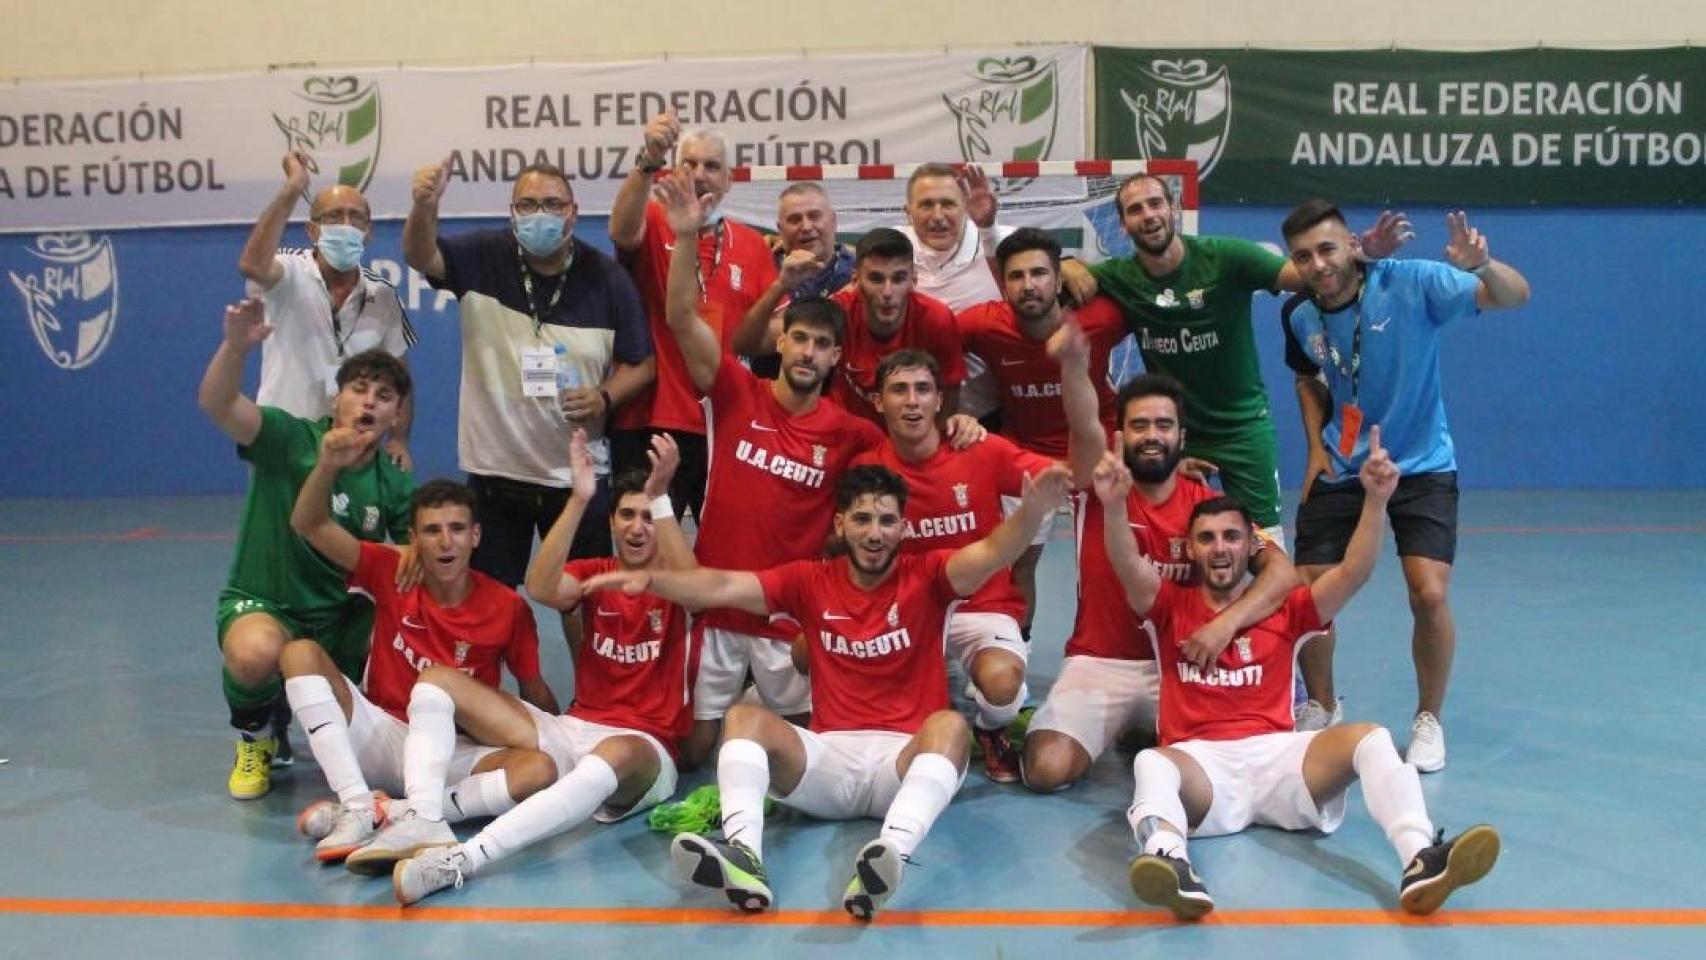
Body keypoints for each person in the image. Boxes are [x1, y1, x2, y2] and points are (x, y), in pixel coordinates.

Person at [581, 461, 1073, 919]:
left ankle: (890, 855)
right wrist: (652, 580)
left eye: (886, 521)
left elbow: (994, 551)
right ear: (841, 525)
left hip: (900, 765)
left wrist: (1032, 510)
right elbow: (720, 588)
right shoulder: (808, 580)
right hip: (828, 765)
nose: (874, 533)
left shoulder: (930, 576)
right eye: (862, 519)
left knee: (950, 724)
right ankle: (744, 855)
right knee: (742, 718)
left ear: (903, 527)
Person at [1094, 437, 1499, 921]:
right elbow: (1125, 562)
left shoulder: (1286, 610)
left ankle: (1419, 858)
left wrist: (1374, 501)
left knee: (1369, 738)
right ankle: (1171, 862)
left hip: (1278, 759)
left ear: (1251, 546)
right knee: (1151, 763)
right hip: (1202, 766)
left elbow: (1353, 573)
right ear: (1190, 549)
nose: (1219, 548)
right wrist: (1115, 507)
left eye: (1231, 537)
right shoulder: (1168, 606)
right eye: (1207, 539)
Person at [386, 432, 695, 904]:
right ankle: (418, 816)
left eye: (648, 516)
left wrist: (659, 497)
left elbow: (693, 588)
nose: (637, 527)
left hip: (644, 748)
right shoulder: (594, 572)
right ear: (612, 522)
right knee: (438, 681)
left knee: (613, 752)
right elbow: (541, 586)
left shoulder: (681, 580)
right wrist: (578, 500)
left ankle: (463, 860)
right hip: (571, 728)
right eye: (627, 515)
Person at [1280, 202, 1530, 770]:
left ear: (1351, 245)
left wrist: (1485, 266)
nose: (1318, 264)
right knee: (1308, 594)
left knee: (1430, 592)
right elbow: (1308, 377)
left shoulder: (1414, 282)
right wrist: (1316, 445)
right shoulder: (1298, 313)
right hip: (1344, 463)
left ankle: (1428, 720)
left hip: (1421, 464)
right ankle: (1319, 706)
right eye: (1304, 256)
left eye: (1327, 249)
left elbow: (1516, 295)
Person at [652, 169, 885, 766]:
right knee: (691, 753)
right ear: (780, 343)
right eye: (798, 339)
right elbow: (682, 321)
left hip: (787, 619)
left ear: (835, 356)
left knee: (804, 752)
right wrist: (684, 238)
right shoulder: (736, 391)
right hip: (720, 612)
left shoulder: (852, 434)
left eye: (820, 345)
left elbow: (886, 506)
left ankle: (758, 711)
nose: (807, 352)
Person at [1020, 322, 1297, 793]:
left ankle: (1142, 728)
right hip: (1100, 660)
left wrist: (1225, 625)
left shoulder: (1206, 509)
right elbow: (1084, 421)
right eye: (1140, 425)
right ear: (1121, 436)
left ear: (1181, 437)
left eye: (1164, 425)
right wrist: (1072, 364)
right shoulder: (1099, 483)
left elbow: (1281, 571)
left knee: (1235, 765)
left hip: (1182, 662)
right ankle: (1122, 726)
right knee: (1046, 770)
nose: (1152, 436)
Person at [1081, 174, 1414, 546]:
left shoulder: (1225, 257)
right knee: (1179, 548)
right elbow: (1062, 276)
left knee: (1266, 548)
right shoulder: (1118, 277)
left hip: (1243, 430)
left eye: (1155, 204)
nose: (1148, 215)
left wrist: (1363, 255)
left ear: (1172, 208)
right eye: (1135, 209)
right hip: (1173, 437)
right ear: (1123, 225)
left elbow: (1306, 276)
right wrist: (1068, 266)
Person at [284, 431, 559, 866]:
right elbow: (309, 524)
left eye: (456, 529)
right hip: (381, 735)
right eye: (432, 531)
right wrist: (327, 465)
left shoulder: (507, 606)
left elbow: (533, 689)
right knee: (298, 653)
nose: (445, 541)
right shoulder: (391, 570)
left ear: (476, 536)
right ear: (414, 538)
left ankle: (394, 813)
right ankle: (357, 806)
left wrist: (565, 742)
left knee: (539, 770)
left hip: (450, 751)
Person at [197, 296, 416, 801]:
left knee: (400, 644)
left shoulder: (395, 483)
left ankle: (369, 737)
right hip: (266, 603)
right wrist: (234, 349)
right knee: (255, 655)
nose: (368, 402)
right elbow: (217, 403)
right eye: (358, 390)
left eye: (383, 396)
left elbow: (414, 566)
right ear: (336, 399)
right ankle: (257, 733)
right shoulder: (287, 437)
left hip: (338, 618)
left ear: (395, 414)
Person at [402, 159, 654, 586]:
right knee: (490, 600)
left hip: (577, 474)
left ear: (573, 212)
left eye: (553, 205)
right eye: (529, 204)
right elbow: (419, 254)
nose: (541, 215)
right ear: (512, 211)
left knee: (582, 595)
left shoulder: (606, 277)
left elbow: (642, 362)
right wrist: (425, 204)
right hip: (497, 472)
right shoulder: (481, 255)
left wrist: (605, 396)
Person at [852, 350, 1058, 782]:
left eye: (923, 389)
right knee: (888, 721)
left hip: (982, 604)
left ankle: (990, 728)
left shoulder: (980, 449)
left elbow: (1058, 475)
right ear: (877, 402)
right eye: (899, 390)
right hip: (906, 610)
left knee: (1003, 686)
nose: (912, 401)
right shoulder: (867, 470)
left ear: (939, 400)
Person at [956, 227, 1127, 641]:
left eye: (1039, 273)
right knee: (1018, 563)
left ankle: (1112, 651)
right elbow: (931, 345)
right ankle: (1019, 650)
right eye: (1016, 276)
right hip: (1026, 458)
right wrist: (957, 415)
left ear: (1058, 278)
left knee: (1109, 565)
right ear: (1004, 283)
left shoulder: (1103, 319)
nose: (1028, 285)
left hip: (1097, 458)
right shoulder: (983, 325)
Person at [608, 113, 779, 515]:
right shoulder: (652, 219)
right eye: (690, 164)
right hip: (649, 419)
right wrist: (648, 159)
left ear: (729, 180)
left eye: (712, 166)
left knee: (722, 551)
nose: (700, 174)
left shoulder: (753, 245)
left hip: (724, 421)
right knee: (645, 548)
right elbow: (619, 231)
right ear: (672, 170)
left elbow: (772, 333)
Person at [237, 150, 418, 466]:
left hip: (354, 449)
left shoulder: (383, 294)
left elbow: (399, 375)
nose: (346, 226)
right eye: (333, 217)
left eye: (356, 217)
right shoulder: (289, 271)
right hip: (285, 441)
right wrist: (293, 187)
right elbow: (253, 265)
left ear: (368, 231)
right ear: (312, 230)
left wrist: (399, 439)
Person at [827, 228, 967, 424]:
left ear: (913, 280)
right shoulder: (835, 315)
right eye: (876, 279)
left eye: (898, 279)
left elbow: (950, 394)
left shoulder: (937, 319)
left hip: (911, 437)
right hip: (847, 433)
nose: (887, 292)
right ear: (855, 280)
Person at [732, 181, 857, 369]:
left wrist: (778, 327)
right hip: (769, 387)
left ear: (833, 221)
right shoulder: (759, 268)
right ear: (780, 229)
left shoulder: (858, 270)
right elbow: (747, 342)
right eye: (794, 219)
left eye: (815, 216)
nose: (806, 226)